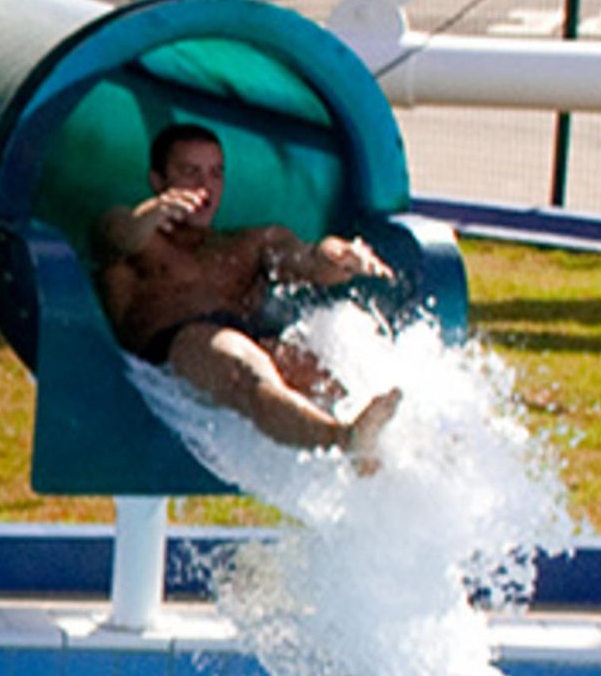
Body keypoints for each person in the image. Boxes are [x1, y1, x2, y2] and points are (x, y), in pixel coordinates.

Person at [89, 121, 401, 465]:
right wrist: (153, 213)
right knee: (245, 366)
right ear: (158, 181)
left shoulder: (245, 245)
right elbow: (117, 237)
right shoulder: (137, 237)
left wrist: (341, 255)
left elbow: (307, 259)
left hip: (248, 339)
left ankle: (392, 452)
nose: (204, 185)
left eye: (215, 173)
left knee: (316, 375)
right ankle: (342, 439)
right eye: (189, 172)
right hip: (176, 347)